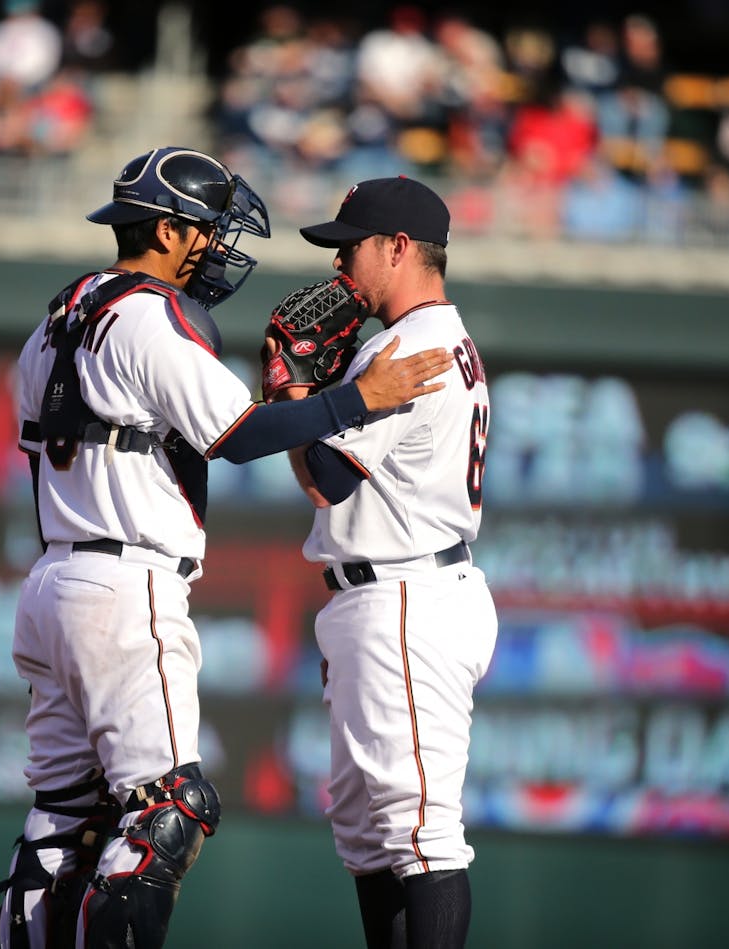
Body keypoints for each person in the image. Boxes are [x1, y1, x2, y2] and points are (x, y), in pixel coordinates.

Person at [0, 147, 454, 949]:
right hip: (125, 587)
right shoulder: (146, 313)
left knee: (62, 822)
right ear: (163, 229)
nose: (216, 248)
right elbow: (239, 433)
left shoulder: (61, 313)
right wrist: (354, 397)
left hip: (52, 579)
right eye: (203, 229)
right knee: (169, 810)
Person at [277, 176, 498, 948]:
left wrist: (296, 388)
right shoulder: (433, 336)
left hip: (405, 595)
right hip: (394, 591)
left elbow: (325, 481)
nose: (341, 268)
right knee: (371, 837)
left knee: (422, 835)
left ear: (399, 248)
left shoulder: (407, 347)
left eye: (351, 248)